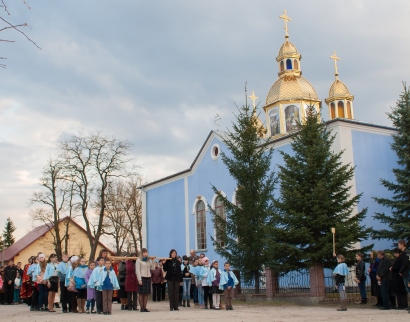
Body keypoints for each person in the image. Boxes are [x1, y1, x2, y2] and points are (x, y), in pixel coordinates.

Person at [135, 248, 155, 312]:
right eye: (143, 252)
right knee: (141, 293)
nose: (145, 254)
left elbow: (152, 268)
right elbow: (137, 270)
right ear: (141, 253)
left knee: (146, 293)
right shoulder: (138, 260)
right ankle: (142, 307)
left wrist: (153, 261)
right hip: (142, 277)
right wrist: (139, 279)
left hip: (148, 277)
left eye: (146, 252)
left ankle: (145, 307)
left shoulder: (148, 260)